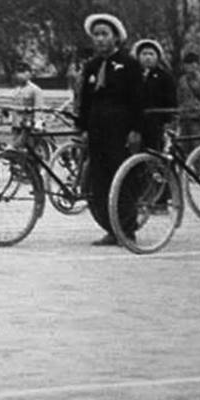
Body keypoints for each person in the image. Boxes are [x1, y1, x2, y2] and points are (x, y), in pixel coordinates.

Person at [75, 14, 143, 246]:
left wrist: (136, 129)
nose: (100, 39)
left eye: (105, 34)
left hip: (120, 130)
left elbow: (137, 100)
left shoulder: (129, 64)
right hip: (97, 130)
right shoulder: (92, 66)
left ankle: (127, 229)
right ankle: (110, 228)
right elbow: (85, 101)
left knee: (121, 180)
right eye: (96, 35)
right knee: (99, 181)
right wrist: (83, 128)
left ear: (116, 37)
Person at [132, 39, 177, 152]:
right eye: (144, 54)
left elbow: (171, 101)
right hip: (134, 124)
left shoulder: (165, 77)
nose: (148, 57)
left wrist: (168, 121)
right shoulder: (131, 75)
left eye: (151, 54)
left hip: (156, 123)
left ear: (157, 57)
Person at [176, 51, 200, 149]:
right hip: (184, 117)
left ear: (197, 65)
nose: (191, 66)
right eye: (188, 64)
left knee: (198, 147)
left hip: (198, 118)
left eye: (193, 63)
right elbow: (179, 98)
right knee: (184, 147)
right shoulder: (182, 80)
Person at [8, 62, 45, 148]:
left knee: (26, 148)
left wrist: (37, 123)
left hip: (29, 125)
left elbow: (38, 108)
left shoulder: (35, 90)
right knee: (15, 149)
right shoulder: (16, 90)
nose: (20, 75)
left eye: (23, 72)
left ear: (29, 74)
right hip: (17, 124)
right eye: (18, 72)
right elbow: (14, 106)